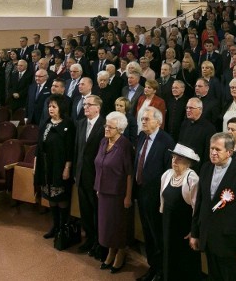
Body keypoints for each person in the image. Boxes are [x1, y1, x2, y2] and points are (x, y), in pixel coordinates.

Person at [190, 133, 236, 281]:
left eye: (217, 149)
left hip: (230, 244)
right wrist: (195, 232)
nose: (213, 153)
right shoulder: (206, 168)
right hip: (208, 237)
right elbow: (200, 203)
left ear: (229, 152)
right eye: (211, 149)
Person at [134, 107, 174, 281]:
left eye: (147, 119)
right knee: (148, 235)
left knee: (157, 236)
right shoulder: (142, 136)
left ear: (158, 121)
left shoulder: (167, 142)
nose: (143, 121)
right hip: (141, 193)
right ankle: (152, 267)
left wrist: (161, 199)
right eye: (142, 119)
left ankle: (161, 272)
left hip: (156, 198)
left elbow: (168, 173)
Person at [95, 111, 133, 273]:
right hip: (103, 191)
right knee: (106, 226)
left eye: (110, 127)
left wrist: (128, 196)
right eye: (106, 125)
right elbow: (98, 164)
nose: (106, 129)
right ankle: (111, 251)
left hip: (118, 194)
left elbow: (129, 173)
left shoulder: (124, 145)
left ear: (120, 129)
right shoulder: (103, 141)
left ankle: (120, 252)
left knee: (117, 226)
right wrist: (98, 187)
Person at [34, 95, 74, 240]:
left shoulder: (68, 124)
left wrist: (67, 167)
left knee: (60, 195)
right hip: (46, 165)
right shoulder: (46, 123)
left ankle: (63, 226)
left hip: (60, 165)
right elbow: (39, 146)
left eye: (54, 106)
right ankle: (55, 225)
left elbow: (70, 149)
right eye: (49, 106)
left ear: (61, 108)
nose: (51, 109)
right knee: (50, 194)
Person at [160, 143, 201, 281]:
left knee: (183, 261)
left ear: (188, 163)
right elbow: (163, 202)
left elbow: (197, 207)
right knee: (168, 256)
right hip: (168, 225)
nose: (174, 161)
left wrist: (193, 231)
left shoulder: (192, 179)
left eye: (179, 159)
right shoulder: (167, 175)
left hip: (184, 230)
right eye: (173, 158)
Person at [74, 95, 106, 259]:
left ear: (97, 108)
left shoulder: (105, 126)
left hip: (96, 177)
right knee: (85, 211)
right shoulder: (80, 124)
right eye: (84, 104)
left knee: (97, 212)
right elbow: (77, 150)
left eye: (89, 104)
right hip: (81, 175)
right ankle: (89, 239)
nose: (85, 107)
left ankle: (99, 243)